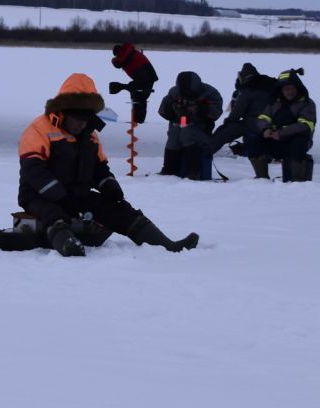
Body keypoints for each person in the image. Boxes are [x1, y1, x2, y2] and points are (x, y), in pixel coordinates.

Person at [17, 72, 199, 256]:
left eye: (86, 119)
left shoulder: (90, 136)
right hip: (38, 196)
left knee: (121, 211)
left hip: (77, 195)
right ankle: (67, 245)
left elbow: (99, 168)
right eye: (79, 120)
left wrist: (110, 187)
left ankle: (167, 246)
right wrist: (61, 197)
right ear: (65, 113)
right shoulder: (39, 130)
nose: (82, 125)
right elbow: (33, 171)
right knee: (54, 215)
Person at [250, 69, 317, 182]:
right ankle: (262, 179)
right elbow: (263, 118)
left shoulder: (307, 104)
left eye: (292, 89)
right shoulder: (274, 102)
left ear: (298, 88)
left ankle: (297, 180)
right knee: (254, 141)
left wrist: (281, 134)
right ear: (281, 90)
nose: (289, 92)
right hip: (275, 140)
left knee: (298, 144)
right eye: (286, 89)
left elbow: (304, 125)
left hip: (297, 141)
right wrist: (266, 129)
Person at [157, 70, 224, 180]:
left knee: (187, 133)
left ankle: (194, 171)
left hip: (202, 128)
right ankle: (169, 170)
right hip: (183, 121)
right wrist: (173, 109)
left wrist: (198, 108)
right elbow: (162, 110)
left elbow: (216, 113)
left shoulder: (210, 93)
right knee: (174, 133)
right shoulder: (174, 92)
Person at [208, 62, 279, 153]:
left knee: (225, 131)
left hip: (255, 122)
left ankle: (206, 151)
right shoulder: (269, 84)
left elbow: (237, 112)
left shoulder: (248, 88)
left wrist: (228, 122)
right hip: (274, 122)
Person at [107, 43, 159, 122]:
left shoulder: (124, 55)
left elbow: (118, 63)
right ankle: (138, 120)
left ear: (118, 53)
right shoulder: (129, 52)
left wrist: (114, 60)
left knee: (140, 97)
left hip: (145, 78)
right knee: (139, 97)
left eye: (116, 55)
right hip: (145, 77)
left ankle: (138, 121)